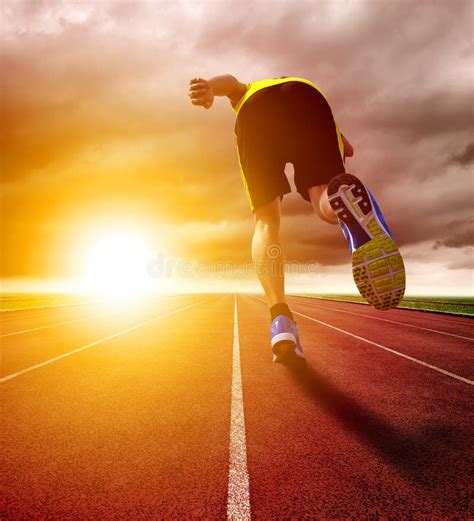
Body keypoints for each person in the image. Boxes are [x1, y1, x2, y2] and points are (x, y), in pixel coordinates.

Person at [188, 75, 405, 363]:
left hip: (255, 110)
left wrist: (209, 89)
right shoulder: (300, 90)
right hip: (308, 96)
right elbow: (347, 148)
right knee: (325, 199)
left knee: (266, 222)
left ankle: (280, 321)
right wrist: (334, 149)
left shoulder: (251, 90)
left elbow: (231, 84)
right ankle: (345, 207)